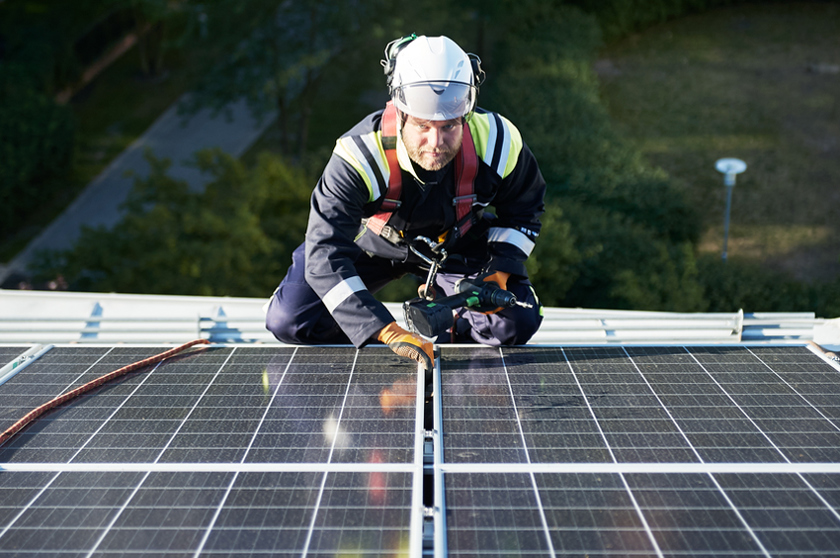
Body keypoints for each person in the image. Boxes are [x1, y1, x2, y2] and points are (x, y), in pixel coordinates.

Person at [265, 34, 545, 370]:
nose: (436, 142)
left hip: (458, 243)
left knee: (513, 324)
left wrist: (501, 266)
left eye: (449, 126)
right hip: (378, 241)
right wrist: (384, 330)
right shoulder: (359, 157)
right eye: (423, 125)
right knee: (290, 318)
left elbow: (524, 210)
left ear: (466, 114)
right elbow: (324, 255)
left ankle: (451, 330)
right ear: (400, 113)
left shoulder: (498, 142)